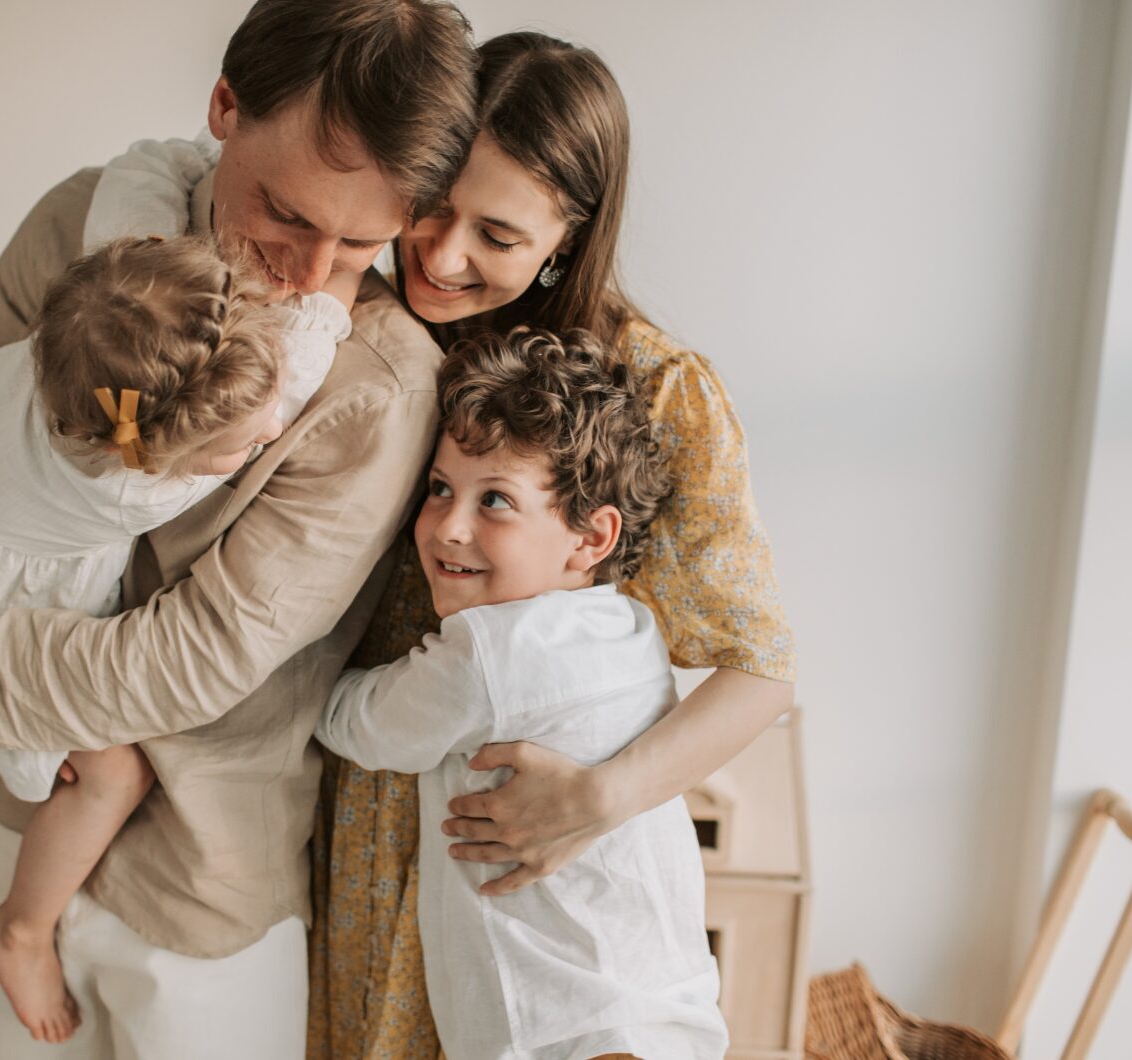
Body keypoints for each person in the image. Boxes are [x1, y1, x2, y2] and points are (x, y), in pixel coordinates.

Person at [0, 1, 479, 1056]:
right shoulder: (77, 224)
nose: (309, 271)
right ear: (223, 107)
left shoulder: (378, 384)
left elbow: (195, 659)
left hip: (204, 883)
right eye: (283, 215)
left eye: (363, 241)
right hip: (28, 823)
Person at [307, 32, 797, 1058]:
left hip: (534, 866)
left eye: (495, 231)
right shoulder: (350, 329)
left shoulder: (656, 392)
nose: (440, 256)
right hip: (361, 838)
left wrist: (595, 799)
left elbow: (760, 672)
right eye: (431, 207)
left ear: (568, 239)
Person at [0, 231, 354, 1043]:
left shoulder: (65, 356)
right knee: (110, 774)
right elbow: (294, 380)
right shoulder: (127, 488)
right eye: (242, 447)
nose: (269, 433)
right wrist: (341, 276)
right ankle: (19, 927)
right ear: (158, 458)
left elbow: (138, 192)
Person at [317, 327, 727, 1060]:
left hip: (561, 1027)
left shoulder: (490, 654)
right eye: (440, 489)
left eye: (495, 500)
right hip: (665, 1006)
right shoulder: (631, 628)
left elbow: (356, 723)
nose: (450, 527)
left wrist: (311, 659)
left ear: (588, 538)